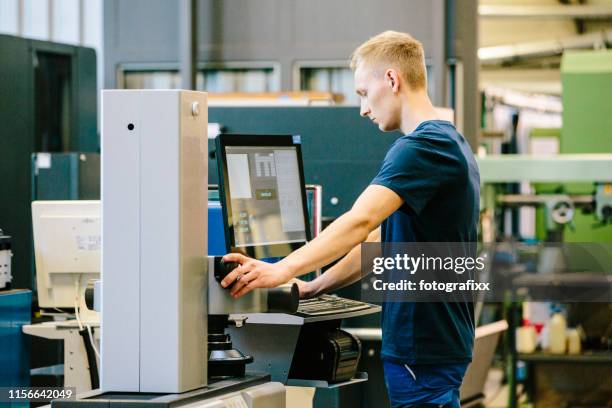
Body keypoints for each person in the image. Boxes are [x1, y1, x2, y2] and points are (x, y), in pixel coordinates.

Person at [220, 30, 480, 408]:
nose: (362, 109)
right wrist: (313, 287)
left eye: (363, 93)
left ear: (392, 79)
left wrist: (282, 269)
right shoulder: (448, 141)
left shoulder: (423, 147)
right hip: (431, 345)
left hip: (421, 348)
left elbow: (360, 222)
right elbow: (378, 243)